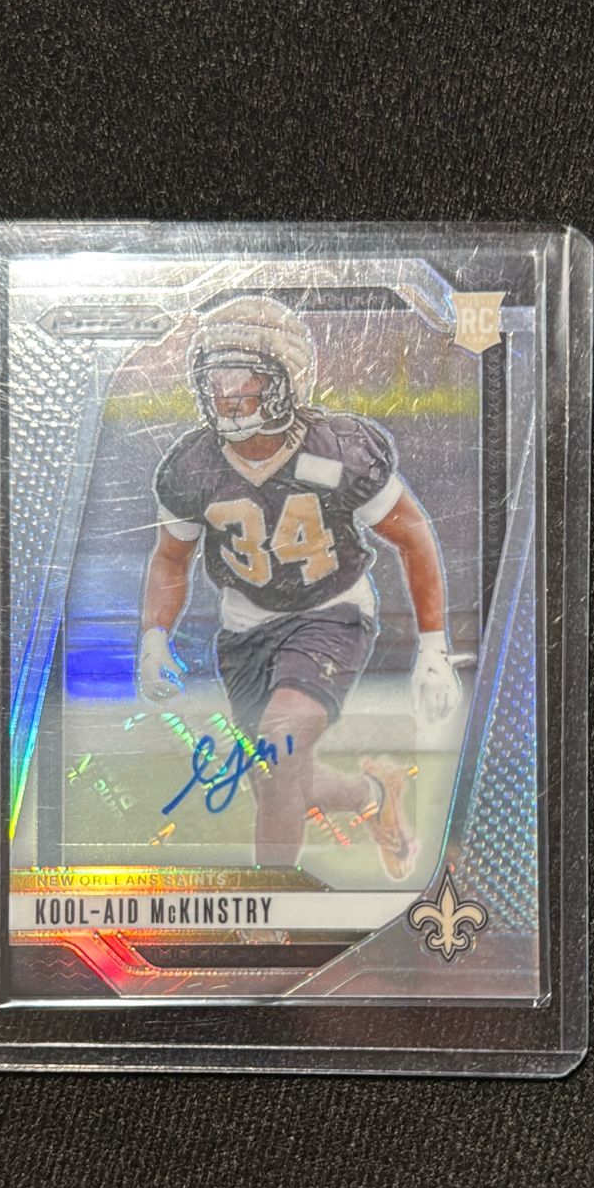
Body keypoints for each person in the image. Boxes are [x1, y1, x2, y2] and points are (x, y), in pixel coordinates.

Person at [137, 296, 461, 876]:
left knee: (279, 740)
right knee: (277, 773)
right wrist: (154, 636)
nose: (226, 394)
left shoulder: (337, 451)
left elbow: (414, 536)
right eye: (216, 378)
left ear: (286, 379)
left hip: (330, 611)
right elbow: (169, 558)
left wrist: (434, 650)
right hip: (244, 628)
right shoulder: (192, 467)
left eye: (245, 377)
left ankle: (273, 905)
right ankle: (373, 794)